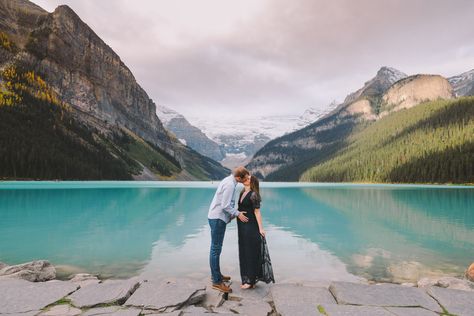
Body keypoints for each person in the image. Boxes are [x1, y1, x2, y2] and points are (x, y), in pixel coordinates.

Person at [208, 166, 250, 293]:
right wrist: (237, 214)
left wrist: (233, 214)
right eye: (246, 178)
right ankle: (216, 282)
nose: (247, 179)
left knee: (216, 248)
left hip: (217, 217)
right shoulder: (230, 185)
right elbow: (225, 205)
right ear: (239, 177)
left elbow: (226, 204)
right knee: (215, 249)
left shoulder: (229, 181)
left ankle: (217, 275)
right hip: (218, 218)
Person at [237, 175, 275, 289]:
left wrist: (261, 228)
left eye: (248, 179)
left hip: (251, 226)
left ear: (252, 182)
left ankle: (251, 280)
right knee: (243, 251)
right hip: (242, 227)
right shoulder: (242, 192)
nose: (245, 179)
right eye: (245, 178)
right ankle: (247, 278)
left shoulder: (254, 194)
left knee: (250, 252)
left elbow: (257, 212)